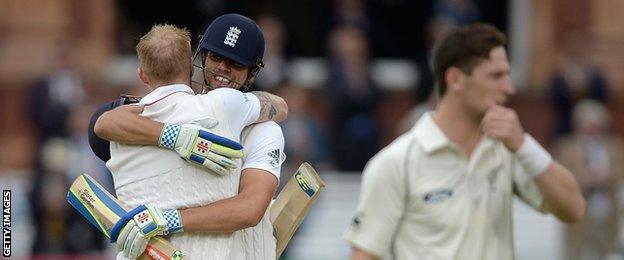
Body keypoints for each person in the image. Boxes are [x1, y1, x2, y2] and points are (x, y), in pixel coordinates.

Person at [344, 23, 586, 260]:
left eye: (507, 75)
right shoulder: (397, 161)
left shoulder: (509, 149)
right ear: (456, 79)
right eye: (496, 76)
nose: (509, 88)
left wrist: (524, 146)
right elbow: (364, 255)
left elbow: (574, 209)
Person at [90, 14, 287, 259]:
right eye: (216, 57)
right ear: (200, 56)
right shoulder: (169, 108)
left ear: (251, 72)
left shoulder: (264, 130)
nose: (223, 68)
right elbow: (102, 123)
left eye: (235, 64)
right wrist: (174, 136)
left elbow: (250, 209)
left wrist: (170, 217)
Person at [554, 100, 624, 259]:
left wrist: (604, 176)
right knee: (574, 254)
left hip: (607, 215)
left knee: (607, 253)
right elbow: (559, 174)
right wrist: (586, 177)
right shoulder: (567, 147)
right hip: (577, 216)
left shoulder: (614, 145)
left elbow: (621, 170)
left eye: (595, 124)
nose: (591, 129)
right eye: (587, 124)